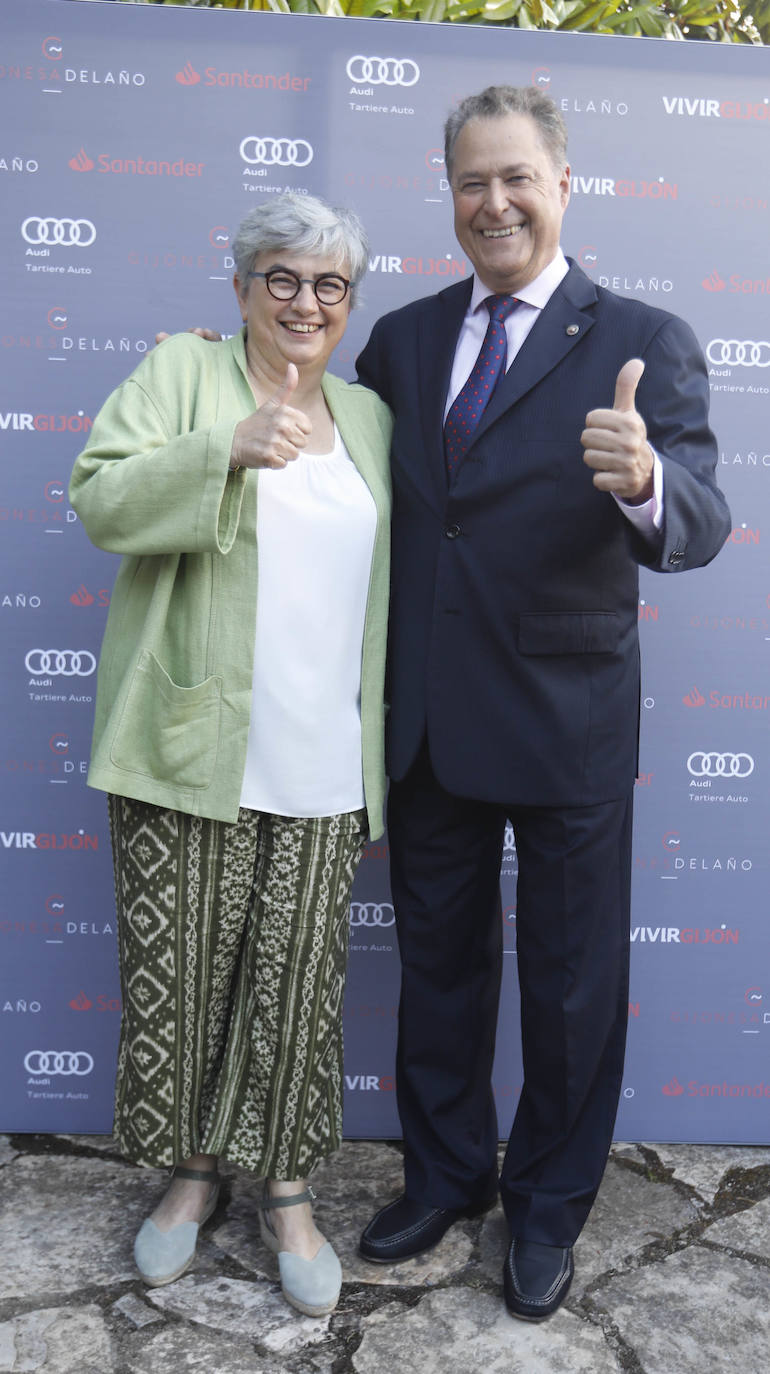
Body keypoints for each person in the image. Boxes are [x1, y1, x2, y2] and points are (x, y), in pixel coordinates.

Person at [352, 86, 730, 1320]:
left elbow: (703, 521)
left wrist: (644, 488)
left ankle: (550, 1205)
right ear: (447, 192)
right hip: (426, 722)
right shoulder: (400, 342)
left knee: (570, 985)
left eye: (516, 178)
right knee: (439, 971)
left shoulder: (640, 334)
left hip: (565, 721)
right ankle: (447, 1175)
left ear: (564, 185)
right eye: (470, 181)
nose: (493, 202)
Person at [69, 193, 392, 1318]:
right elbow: (101, 499)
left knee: (298, 995)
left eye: (330, 284)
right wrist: (224, 448)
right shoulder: (184, 378)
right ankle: (194, 1179)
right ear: (244, 288)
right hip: (188, 744)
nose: (306, 302)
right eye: (283, 278)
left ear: (349, 303)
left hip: (323, 759)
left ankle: (289, 1193)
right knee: (186, 989)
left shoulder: (368, 416)